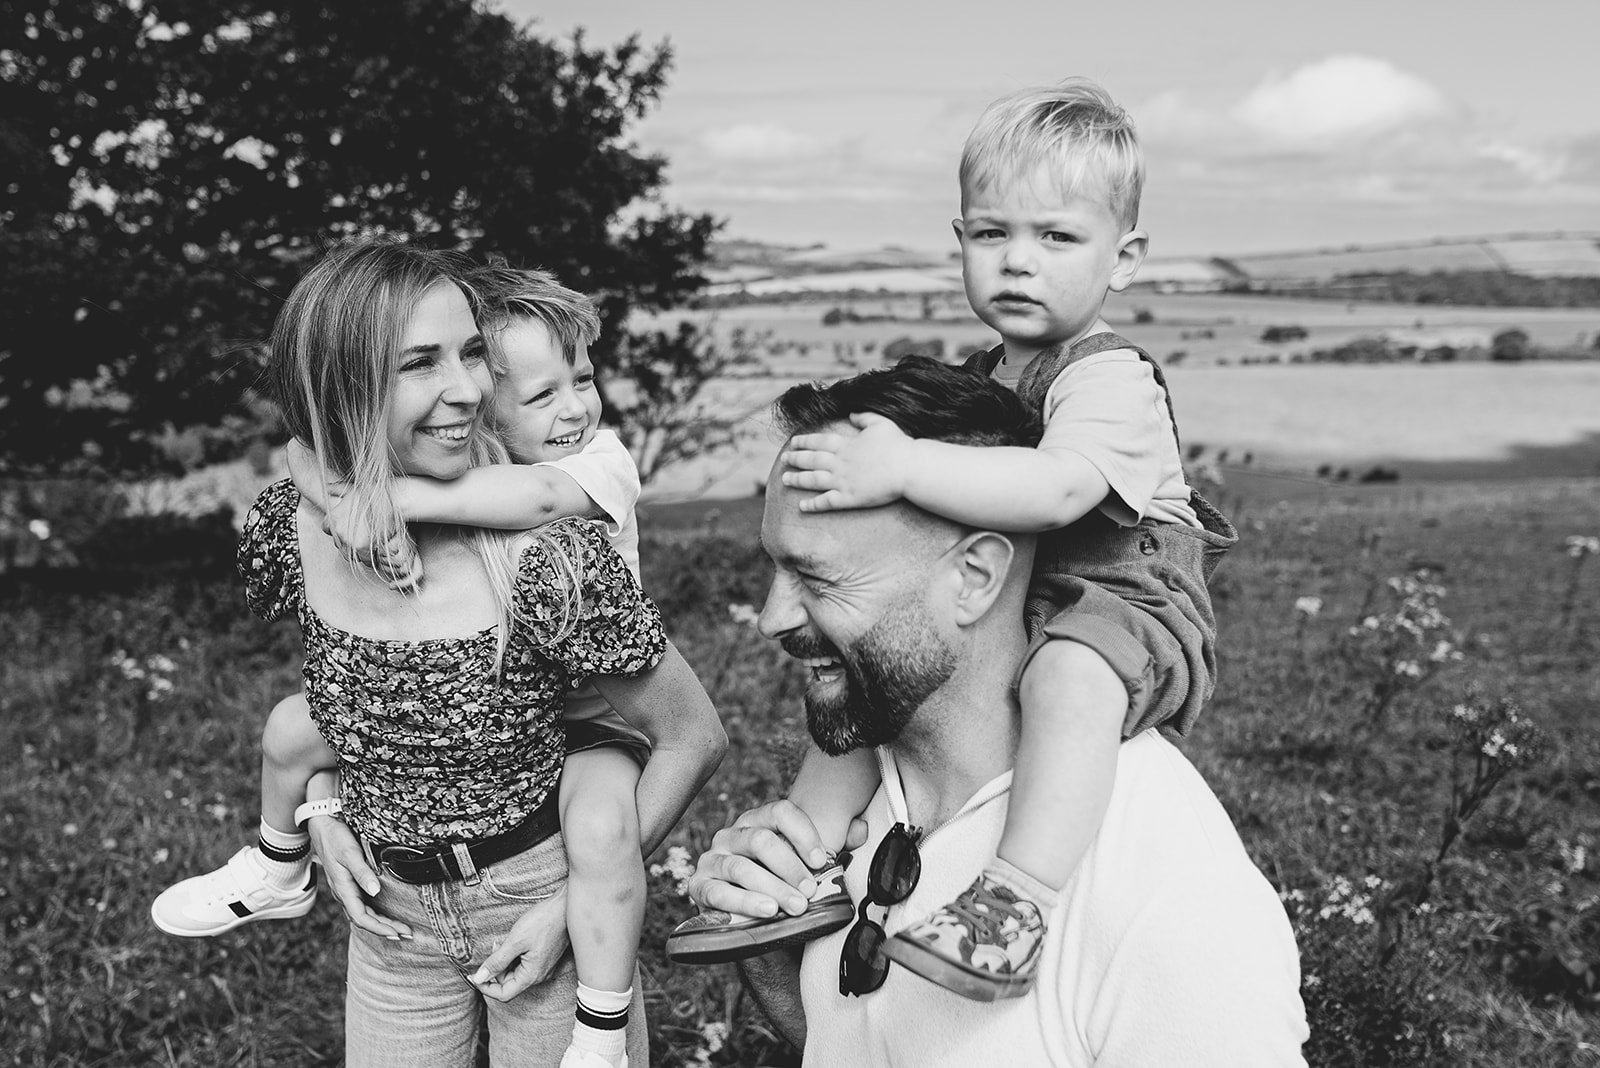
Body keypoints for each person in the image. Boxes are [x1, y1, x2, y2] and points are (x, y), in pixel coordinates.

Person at [667, 76, 1235, 1002]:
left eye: (1056, 237)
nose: (1018, 262)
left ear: (1123, 258)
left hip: (1123, 595)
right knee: (869, 676)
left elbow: (1055, 490)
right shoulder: (982, 377)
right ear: (959, 239)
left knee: (1066, 680)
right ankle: (796, 867)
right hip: (1037, 585)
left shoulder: (1110, 377)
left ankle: (1016, 898)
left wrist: (898, 469)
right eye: (991, 233)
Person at [175, 237, 725, 1067]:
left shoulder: (548, 554)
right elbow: (348, 702)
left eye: (472, 354)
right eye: (421, 362)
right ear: (342, 383)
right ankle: (269, 868)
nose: (469, 389)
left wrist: (579, 899)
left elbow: (693, 735)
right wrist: (321, 814)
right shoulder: (298, 522)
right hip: (391, 929)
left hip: (541, 894)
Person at [686, 358, 1307, 1066]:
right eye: (776, 566)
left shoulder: (1166, 882)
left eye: (818, 577)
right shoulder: (855, 794)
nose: (772, 617)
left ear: (975, 578)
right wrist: (774, 957)